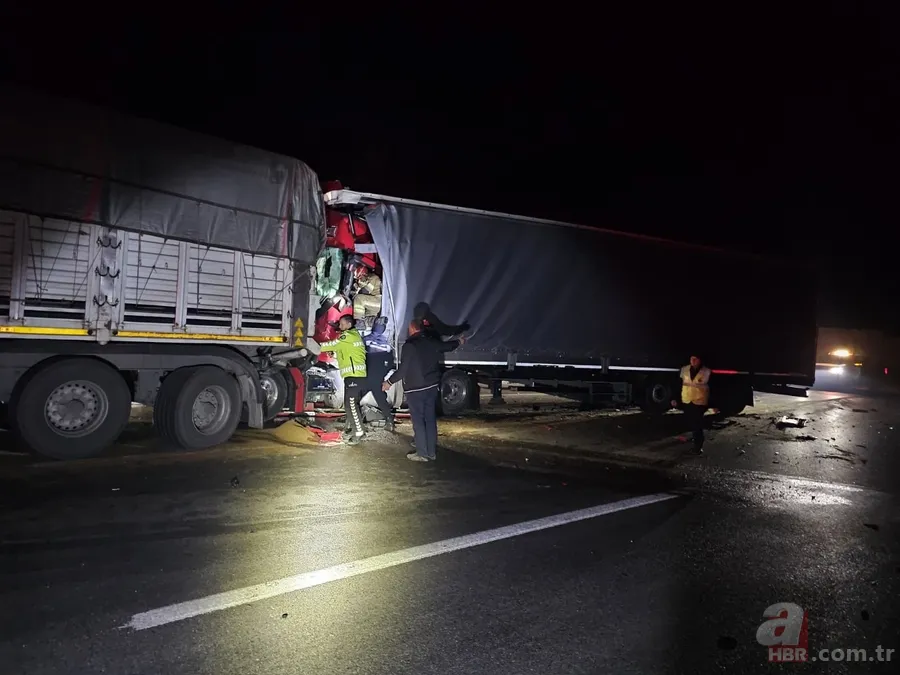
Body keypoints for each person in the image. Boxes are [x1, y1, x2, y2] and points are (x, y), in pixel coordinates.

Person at [383, 318, 464, 461]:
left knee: (418, 421)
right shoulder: (431, 341)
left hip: (416, 389)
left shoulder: (409, 346)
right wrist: (459, 342)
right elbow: (446, 346)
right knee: (430, 419)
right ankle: (431, 453)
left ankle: (422, 453)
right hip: (432, 386)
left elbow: (402, 371)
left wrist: (389, 382)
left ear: (412, 329)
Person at [318, 315, 369, 445]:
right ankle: (354, 429)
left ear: (348, 324)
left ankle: (359, 432)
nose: (339, 326)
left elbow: (331, 344)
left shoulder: (347, 336)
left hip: (354, 376)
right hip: (353, 375)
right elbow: (345, 353)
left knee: (351, 405)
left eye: (341, 324)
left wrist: (315, 345)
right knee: (348, 405)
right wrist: (334, 354)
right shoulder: (352, 336)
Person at [671, 354, 711, 454]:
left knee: (697, 424)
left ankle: (698, 446)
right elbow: (678, 384)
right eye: (691, 359)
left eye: (695, 359)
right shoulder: (684, 370)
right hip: (687, 400)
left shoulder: (706, 371)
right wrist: (675, 398)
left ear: (699, 360)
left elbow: (711, 388)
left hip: (700, 402)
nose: (692, 361)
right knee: (692, 423)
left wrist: (711, 403)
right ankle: (695, 440)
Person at [363, 317, 396, 431]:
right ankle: (390, 422)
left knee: (353, 399)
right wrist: (382, 374)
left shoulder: (365, 340)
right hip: (377, 378)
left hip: (365, 376)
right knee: (381, 401)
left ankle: (351, 423)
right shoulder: (386, 344)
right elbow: (390, 363)